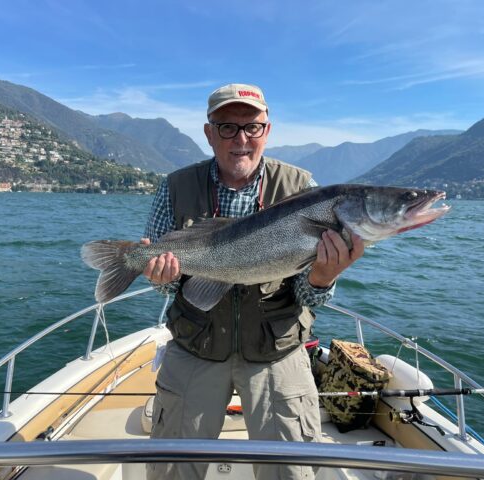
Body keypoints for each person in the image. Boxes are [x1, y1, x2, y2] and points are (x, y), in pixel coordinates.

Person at [142, 83, 365, 480]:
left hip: (276, 350)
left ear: (268, 130)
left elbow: (305, 295)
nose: (241, 139)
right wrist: (161, 278)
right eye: (227, 127)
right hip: (196, 345)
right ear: (209, 132)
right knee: (171, 472)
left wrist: (323, 277)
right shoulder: (174, 187)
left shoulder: (302, 188)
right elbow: (170, 289)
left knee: (292, 473)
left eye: (252, 127)